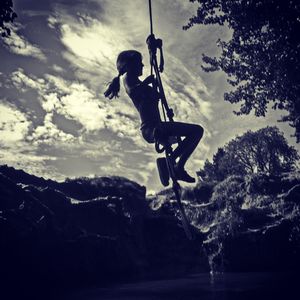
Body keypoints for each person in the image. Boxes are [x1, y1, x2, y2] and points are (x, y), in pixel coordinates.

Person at [104, 50, 204, 183]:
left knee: (195, 132)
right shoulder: (127, 78)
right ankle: (175, 165)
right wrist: (148, 82)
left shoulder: (137, 82)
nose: (143, 65)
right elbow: (134, 92)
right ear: (129, 66)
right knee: (196, 131)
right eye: (139, 63)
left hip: (157, 126)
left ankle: (174, 165)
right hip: (150, 129)